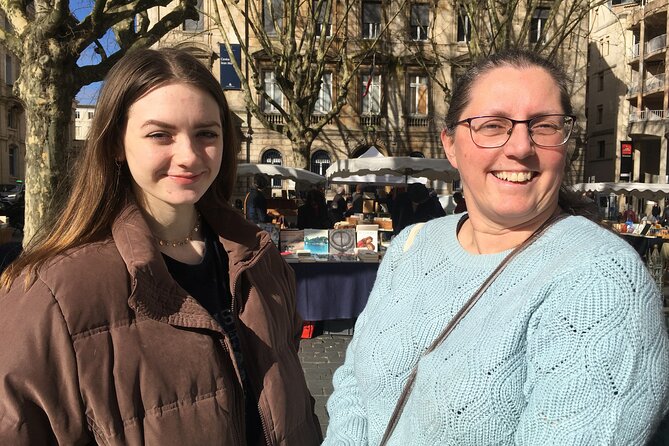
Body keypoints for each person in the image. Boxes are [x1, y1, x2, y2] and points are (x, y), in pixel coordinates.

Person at [323, 49, 669, 445]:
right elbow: (352, 382)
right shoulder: (411, 245)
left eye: (544, 126)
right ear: (450, 145)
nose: (520, 147)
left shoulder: (600, 280)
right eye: (492, 125)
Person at [0, 48, 322, 445]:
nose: (188, 156)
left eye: (206, 133)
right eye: (159, 135)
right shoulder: (51, 292)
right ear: (117, 144)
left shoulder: (260, 260)